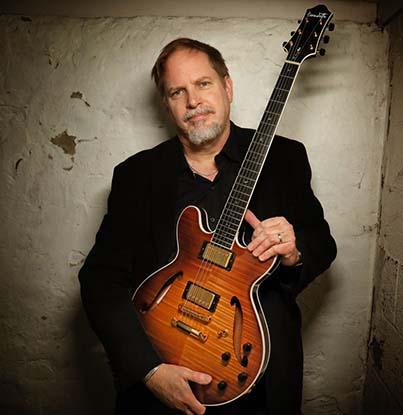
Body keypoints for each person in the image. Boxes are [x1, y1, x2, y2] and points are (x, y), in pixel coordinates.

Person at [79, 38, 337, 415]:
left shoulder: (285, 157)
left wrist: (295, 252)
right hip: (162, 376)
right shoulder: (136, 176)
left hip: (261, 382)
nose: (193, 101)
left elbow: (323, 244)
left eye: (203, 84)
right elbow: (100, 280)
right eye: (177, 91)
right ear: (166, 104)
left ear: (227, 87)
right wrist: (149, 371)